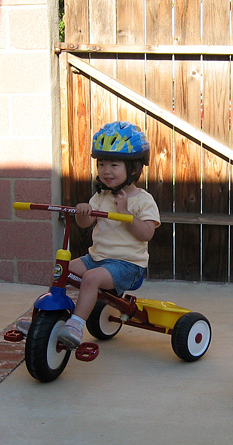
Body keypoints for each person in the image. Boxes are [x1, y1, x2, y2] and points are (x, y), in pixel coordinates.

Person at [53, 120, 160, 347]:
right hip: (97, 259)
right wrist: (84, 211)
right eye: (101, 164)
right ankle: (52, 317)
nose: (105, 171)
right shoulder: (101, 197)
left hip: (127, 265)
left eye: (113, 165)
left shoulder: (142, 200)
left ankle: (75, 326)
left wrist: (126, 213)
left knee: (91, 279)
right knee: (62, 270)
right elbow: (85, 223)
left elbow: (147, 233)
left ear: (133, 168)